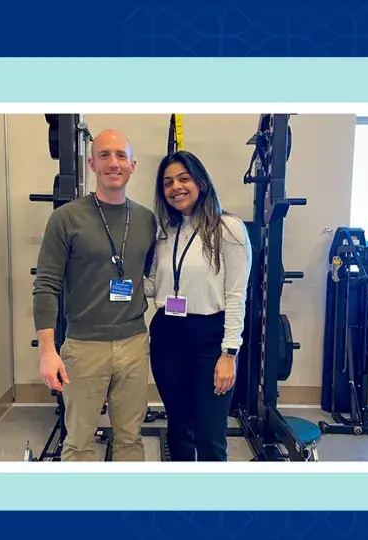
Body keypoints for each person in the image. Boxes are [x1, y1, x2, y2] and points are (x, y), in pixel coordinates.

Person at [32, 129, 157, 461]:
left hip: (133, 343)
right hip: (84, 348)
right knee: (79, 442)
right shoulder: (66, 219)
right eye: (104, 155)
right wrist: (47, 351)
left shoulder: (146, 220)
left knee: (130, 439)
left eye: (120, 156)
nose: (113, 163)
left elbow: (152, 275)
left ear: (133, 165)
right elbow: (46, 285)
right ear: (91, 164)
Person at [144, 150, 252, 462]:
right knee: (178, 427)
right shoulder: (166, 232)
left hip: (209, 340)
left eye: (183, 178)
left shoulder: (228, 228)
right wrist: (115, 278)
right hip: (167, 336)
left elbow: (236, 295)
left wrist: (229, 353)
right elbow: (153, 286)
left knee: (209, 434)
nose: (175, 186)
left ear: (200, 182)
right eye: (167, 182)